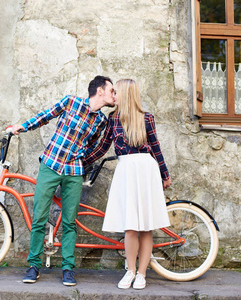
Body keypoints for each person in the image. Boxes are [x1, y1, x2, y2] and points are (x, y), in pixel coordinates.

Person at [10, 75, 115, 286]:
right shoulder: (71, 102)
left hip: (74, 172)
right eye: (112, 90)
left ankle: (67, 269)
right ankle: (33, 266)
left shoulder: (101, 120)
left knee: (69, 221)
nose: (115, 95)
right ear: (100, 91)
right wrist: (23, 126)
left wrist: (82, 162)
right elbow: (46, 116)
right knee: (39, 217)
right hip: (50, 165)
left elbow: (93, 146)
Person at [84, 79, 171, 290]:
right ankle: (130, 270)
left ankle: (142, 273)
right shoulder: (112, 119)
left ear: (126, 94)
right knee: (131, 226)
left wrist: (164, 174)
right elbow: (102, 148)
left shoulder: (147, 118)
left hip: (146, 170)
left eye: (117, 92)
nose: (114, 95)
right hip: (126, 170)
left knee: (146, 226)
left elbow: (156, 148)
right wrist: (81, 159)